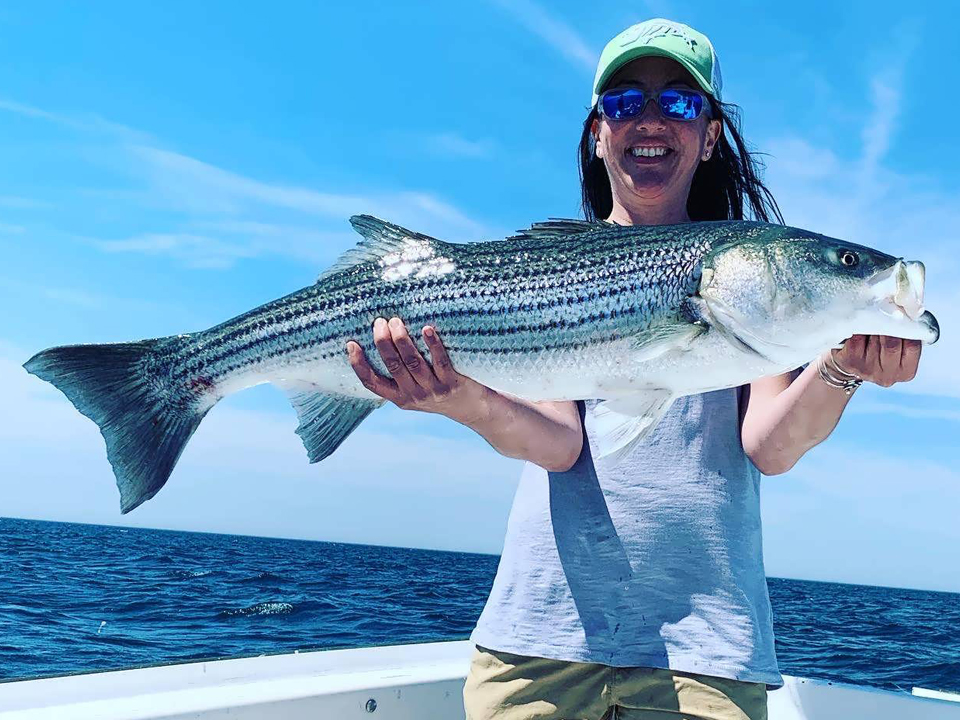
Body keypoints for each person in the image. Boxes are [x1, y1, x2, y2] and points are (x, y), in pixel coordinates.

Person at [344, 18, 922, 720]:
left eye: (679, 102)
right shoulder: (555, 264)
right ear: (598, 132)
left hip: (706, 654)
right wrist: (456, 396)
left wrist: (839, 367)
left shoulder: (763, 314)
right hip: (540, 644)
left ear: (710, 135)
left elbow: (769, 446)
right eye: (624, 103)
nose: (650, 119)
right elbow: (560, 445)